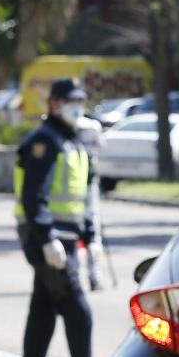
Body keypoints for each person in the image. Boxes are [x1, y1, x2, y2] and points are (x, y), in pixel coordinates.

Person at [14, 77, 98, 357]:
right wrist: (46, 237)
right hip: (46, 238)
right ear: (54, 104)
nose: (76, 107)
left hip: (66, 237)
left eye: (80, 100)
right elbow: (33, 196)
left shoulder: (74, 142)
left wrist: (90, 237)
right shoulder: (45, 142)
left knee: (43, 311)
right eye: (70, 101)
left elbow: (85, 198)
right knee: (78, 310)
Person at [73, 111, 106, 291]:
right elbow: (102, 146)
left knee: (74, 233)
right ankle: (95, 276)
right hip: (90, 183)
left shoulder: (68, 126)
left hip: (72, 184)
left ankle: (76, 276)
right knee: (93, 232)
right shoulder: (93, 127)